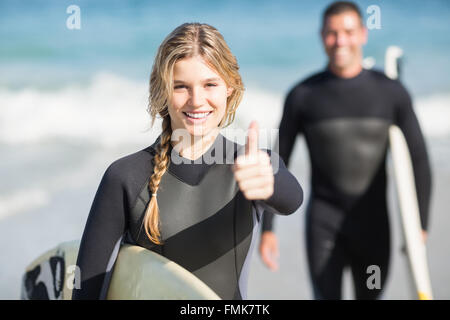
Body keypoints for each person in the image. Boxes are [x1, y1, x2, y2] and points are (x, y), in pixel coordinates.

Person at [72, 22, 303, 300]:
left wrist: (268, 180)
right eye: (180, 86)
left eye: (210, 84)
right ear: (162, 92)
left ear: (229, 87)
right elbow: (87, 286)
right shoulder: (126, 176)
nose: (196, 100)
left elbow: (292, 200)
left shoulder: (253, 165)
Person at [259, 1, 432, 300]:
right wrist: (268, 228)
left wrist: (421, 224)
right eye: (332, 33)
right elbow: (277, 161)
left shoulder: (391, 92)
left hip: (375, 226)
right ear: (321, 35)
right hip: (323, 226)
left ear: (364, 34)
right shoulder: (303, 96)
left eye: (348, 32)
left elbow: (419, 158)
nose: (340, 41)